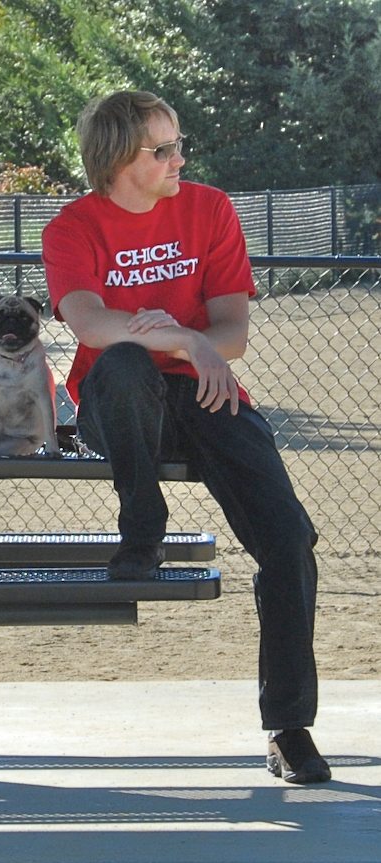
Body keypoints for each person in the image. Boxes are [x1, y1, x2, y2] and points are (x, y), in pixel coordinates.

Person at [42, 90, 331, 785]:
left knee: (289, 539)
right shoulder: (74, 226)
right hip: (119, 401)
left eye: (179, 145)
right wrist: (183, 337)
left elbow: (233, 330)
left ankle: (289, 725)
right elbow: (91, 326)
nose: (180, 159)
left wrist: (202, 347)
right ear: (117, 160)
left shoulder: (209, 208)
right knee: (126, 360)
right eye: (162, 149)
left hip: (204, 393)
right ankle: (143, 529)